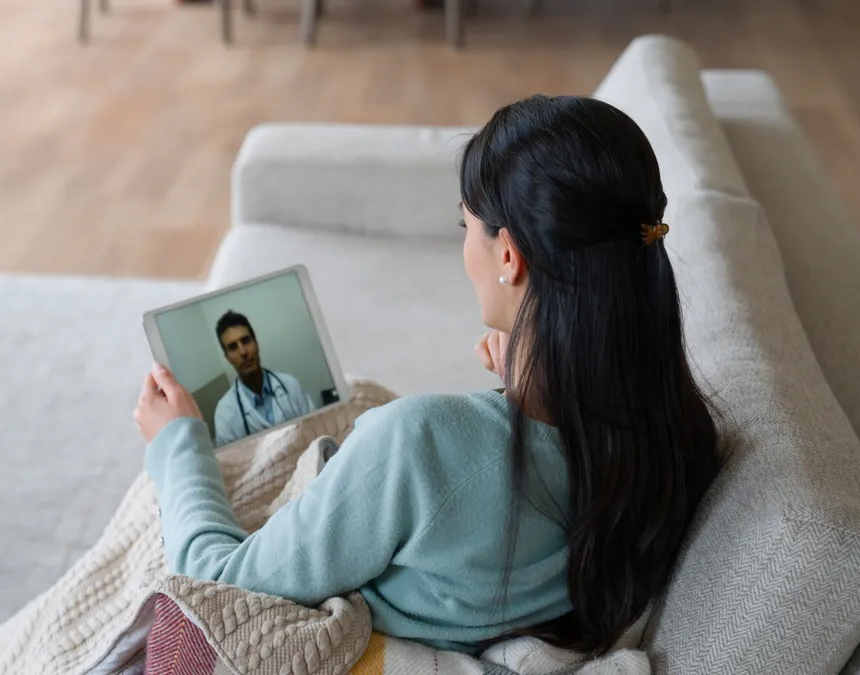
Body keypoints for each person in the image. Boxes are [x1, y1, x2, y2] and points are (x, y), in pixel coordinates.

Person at [133, 96, 721, 655]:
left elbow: (219, 586)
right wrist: (532, 382)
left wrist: (176, 445)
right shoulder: (677, 438)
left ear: (509, 256)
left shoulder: (420, 443)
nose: (465, 246)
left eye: (465, 227)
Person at [210, 310, 317, 446]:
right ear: (227, 357)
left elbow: (316, 429)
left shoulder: (290, 385)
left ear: (256, 343)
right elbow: (233, 464)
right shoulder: (224, 414)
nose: (243, 352)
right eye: (233, 347)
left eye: (246, 341)